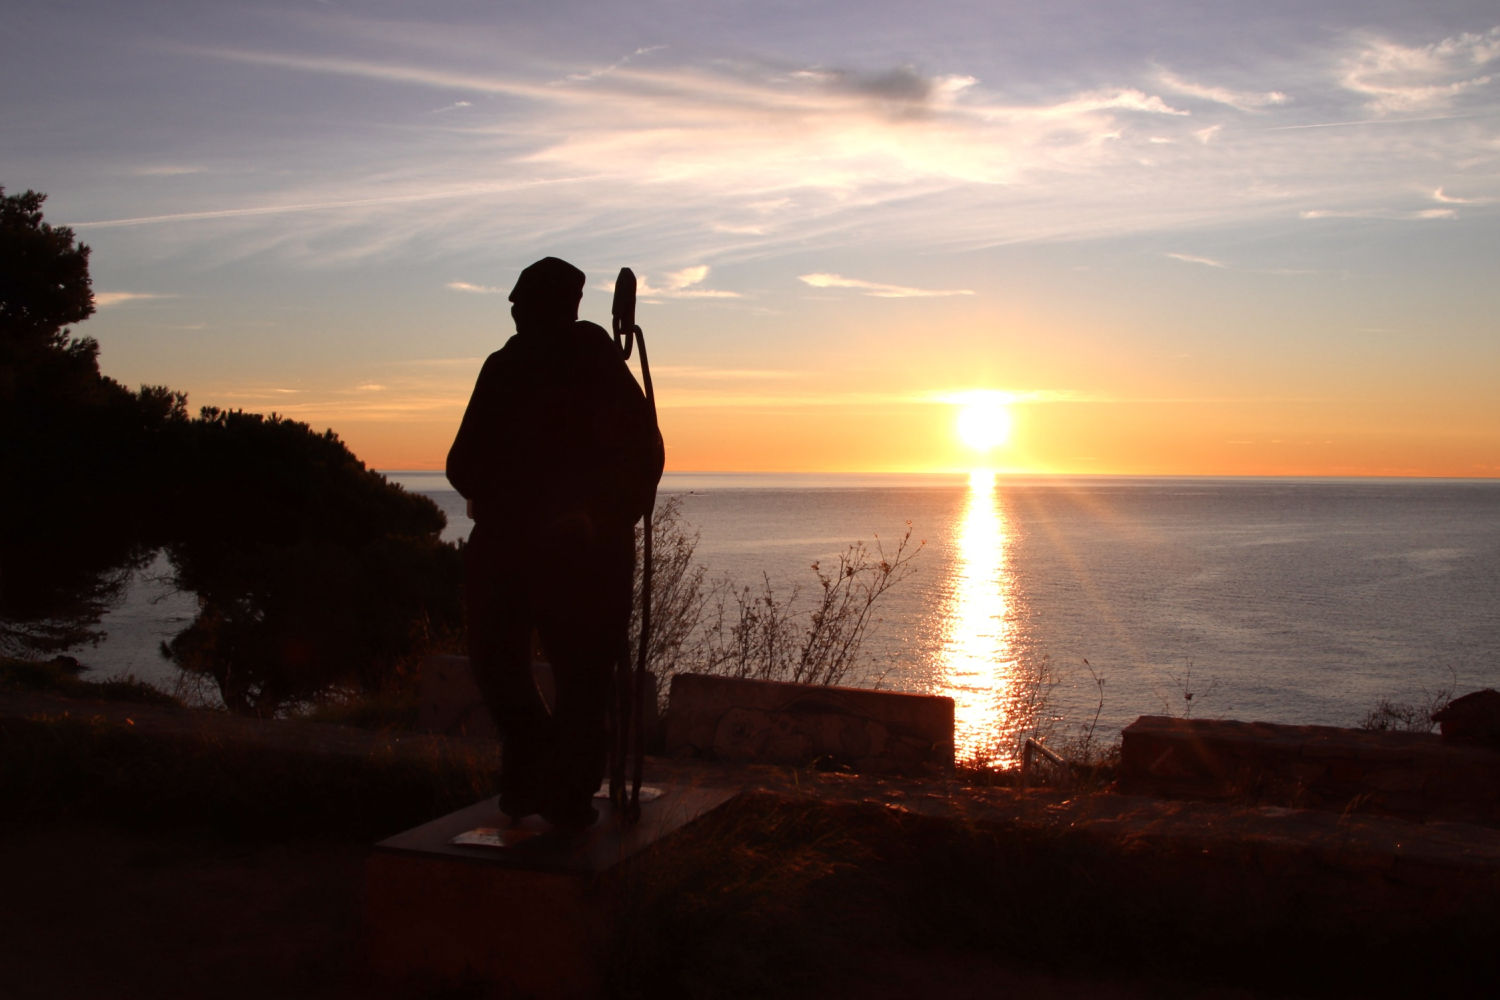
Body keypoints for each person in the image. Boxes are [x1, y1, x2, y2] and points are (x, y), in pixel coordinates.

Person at [446, 257, 663, 830]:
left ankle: (564, 791)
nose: (513, 309)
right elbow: (463, 460)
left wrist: (594, 516)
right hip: (510, 549)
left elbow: (642, 458)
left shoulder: (598, 366)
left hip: (582, 557)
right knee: (496, 666)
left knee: (583, 679)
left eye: (523, 299)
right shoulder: (503, 367)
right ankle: (537, 767)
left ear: (554, 305)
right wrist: (510, 503)